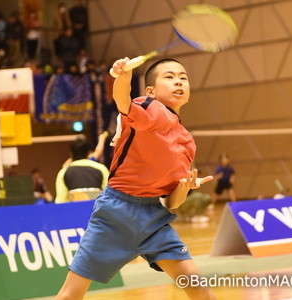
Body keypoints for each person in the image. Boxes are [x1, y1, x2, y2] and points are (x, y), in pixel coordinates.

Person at [55, 58, 215, 300]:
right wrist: (124, 76)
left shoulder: (186, 141)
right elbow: (123, 102)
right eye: (169, 77)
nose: (179, 81)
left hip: (153, 218)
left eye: (183, 77)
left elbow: (172, 203)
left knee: (198, 288)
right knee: (70, 295)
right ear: (150, 90)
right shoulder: (150, 108)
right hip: (115, 214)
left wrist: (185, 187)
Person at [55, 134, 109, 203]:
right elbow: (109, 198)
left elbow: (60, 202)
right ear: (89, 153)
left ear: (71, 154)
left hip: (73, 213)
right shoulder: (102, 169)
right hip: (99, 212)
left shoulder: (63, 172)